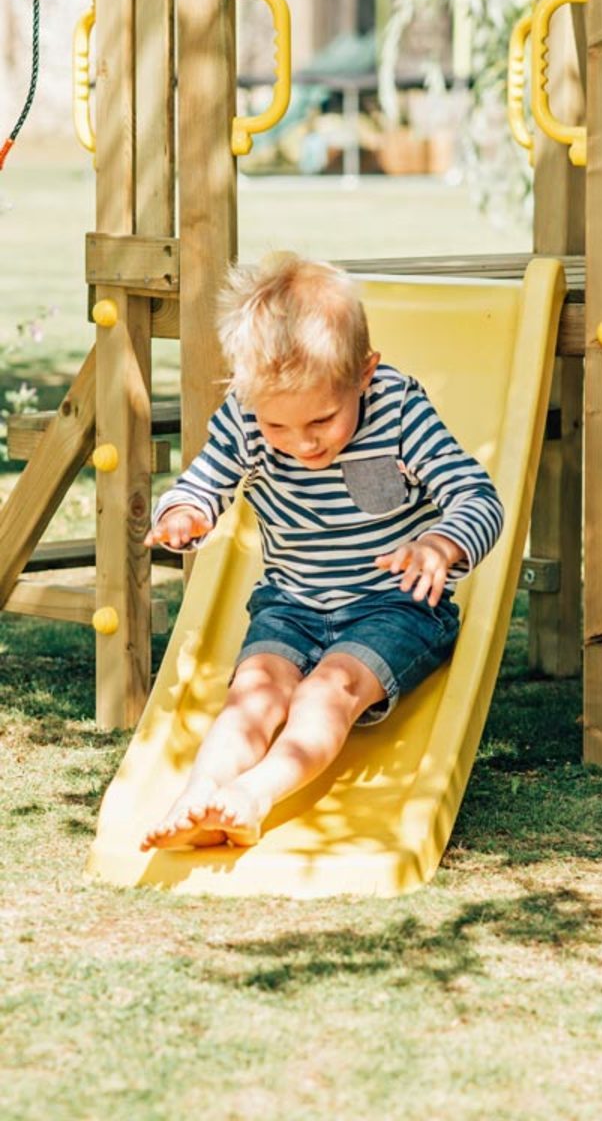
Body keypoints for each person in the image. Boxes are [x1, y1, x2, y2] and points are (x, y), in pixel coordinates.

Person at [140, 255, 503, 851]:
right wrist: (185, 513)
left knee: (325, 690)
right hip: (290, 604)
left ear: (364, 373)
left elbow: (477, 496)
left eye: (322, 419)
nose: (302, 443)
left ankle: (254, 796)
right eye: (278, 427)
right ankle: (198, 795)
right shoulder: (247, 415)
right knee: (253, 693)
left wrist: (441, 544)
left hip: (396, 607)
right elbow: (203, 481)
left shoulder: (399, 411)